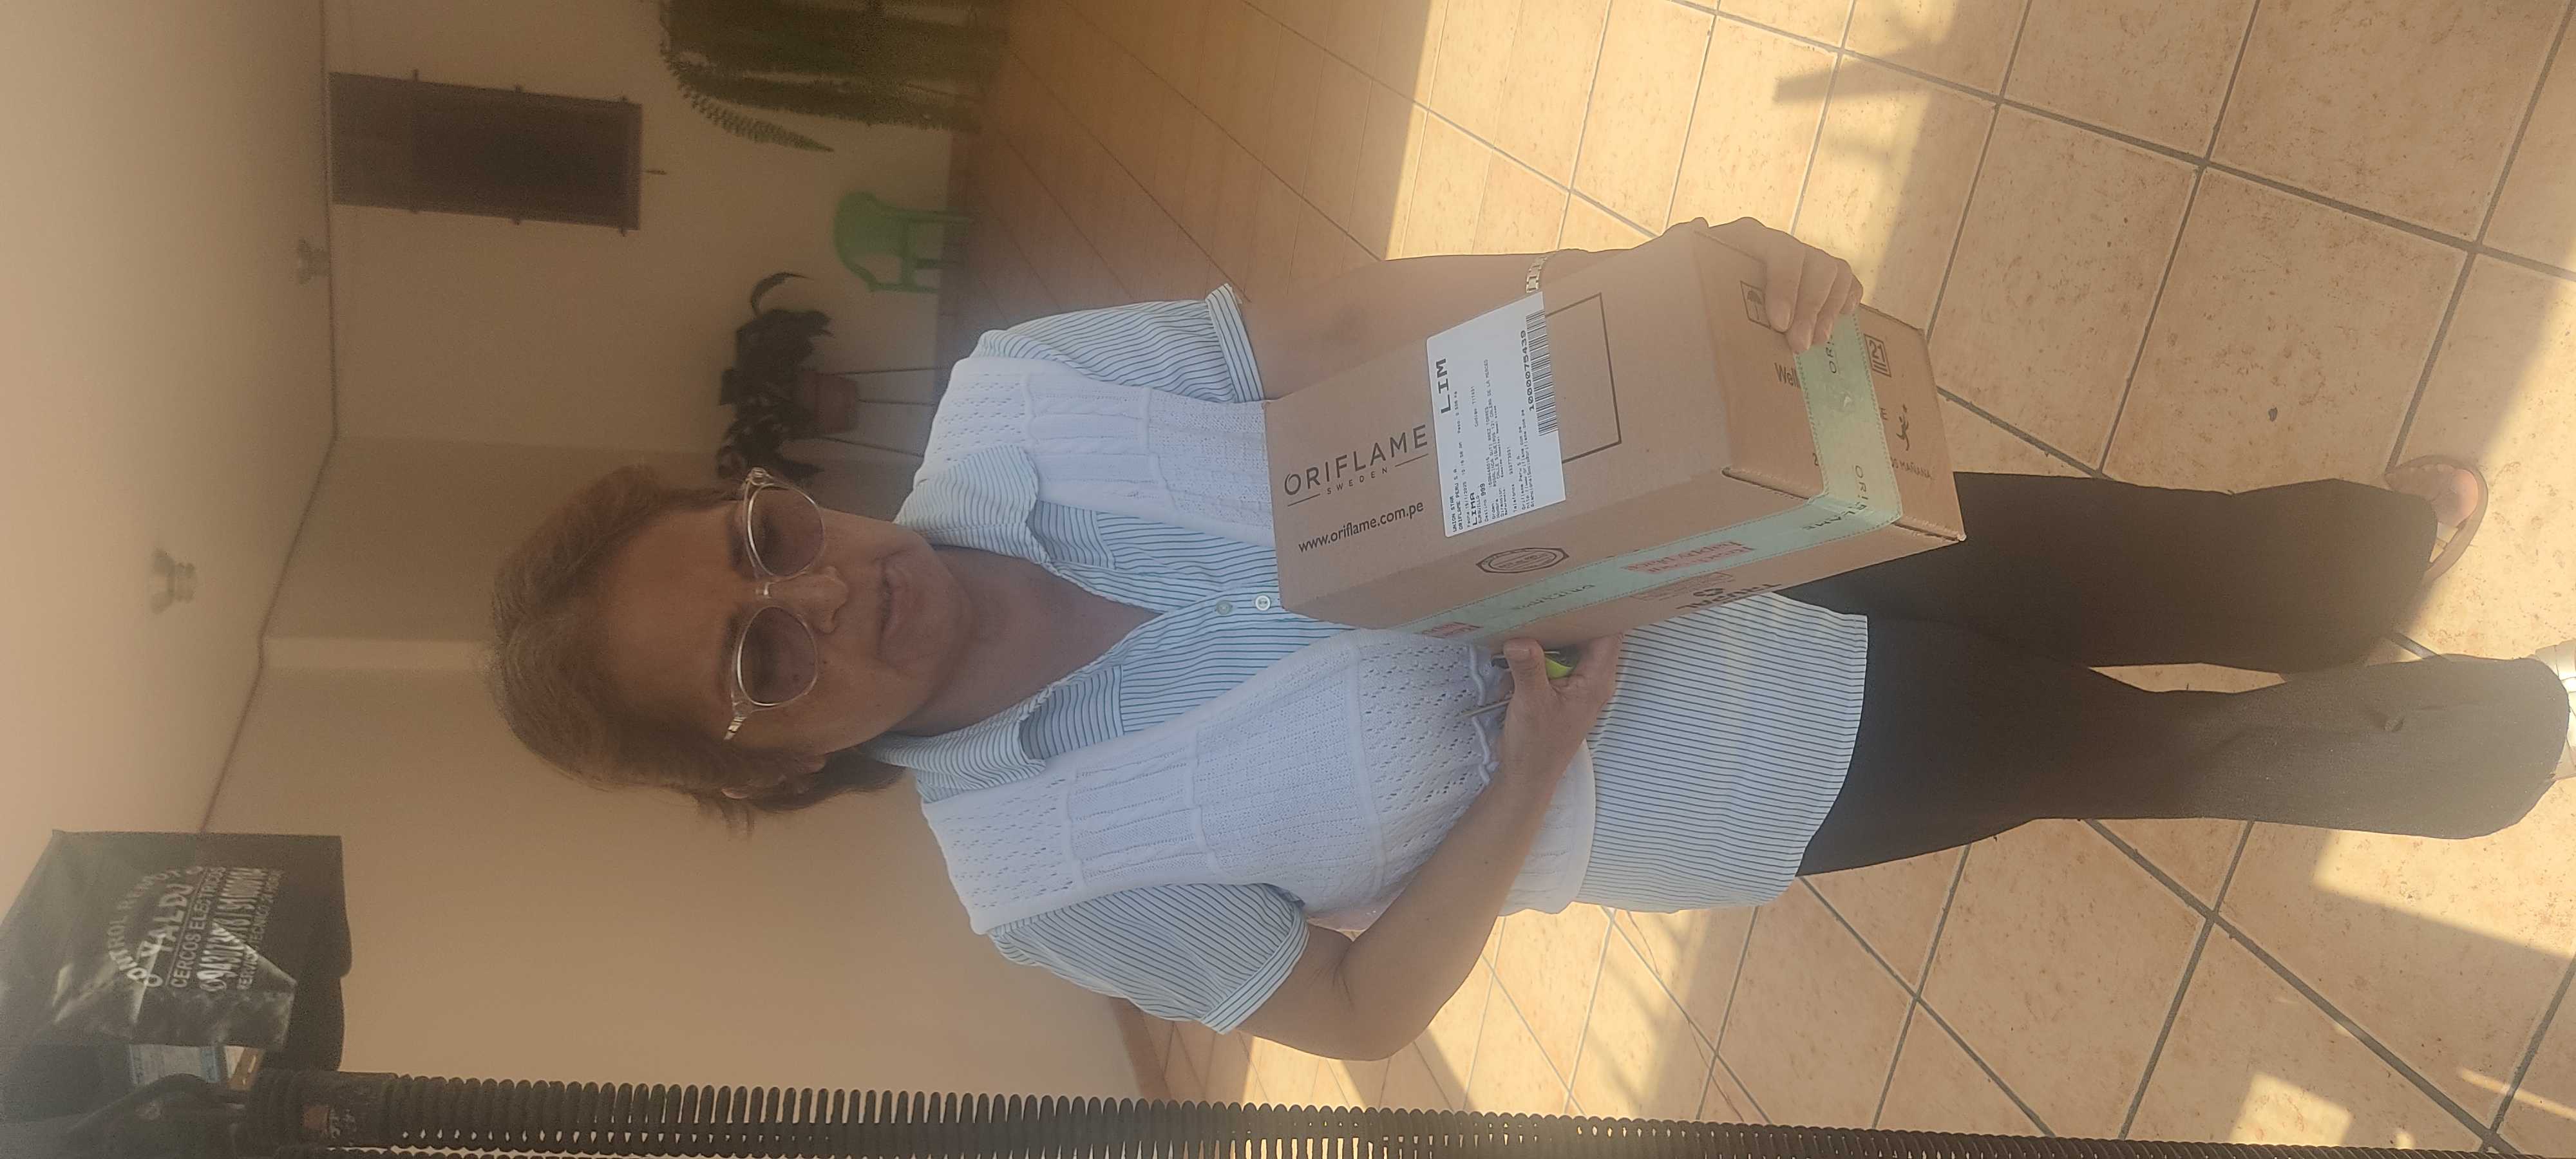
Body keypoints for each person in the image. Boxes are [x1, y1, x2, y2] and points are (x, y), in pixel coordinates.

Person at [489, 218, 2575, 1061]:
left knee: (2125, 555)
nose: (817, 592)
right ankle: (2510, 739)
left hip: (1721, 496)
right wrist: (1531, 769)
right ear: (769, 768)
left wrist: (1657, 284)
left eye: (762, 537)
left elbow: (1337, 323)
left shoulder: (1025, 399)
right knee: (2135, 750)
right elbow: (1349, 1009)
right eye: (758, 662)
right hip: (1740, 768)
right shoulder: (1036, 877)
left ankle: (2363, 560)